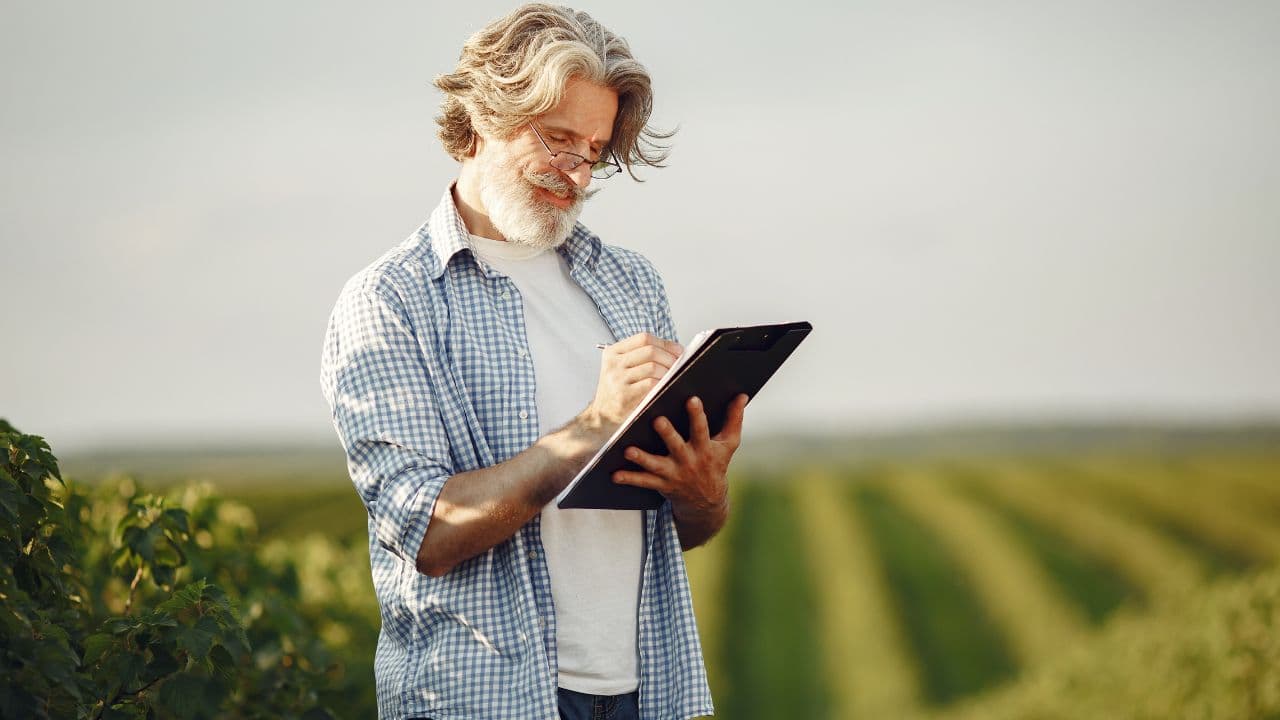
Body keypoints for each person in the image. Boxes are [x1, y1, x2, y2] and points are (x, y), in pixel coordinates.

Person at [319, 4, 747, 719]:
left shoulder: (630, 282)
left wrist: (701, 491)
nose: (576, 175)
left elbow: (679, 532)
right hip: (482, 701)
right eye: (557, 141)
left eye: (593, 153)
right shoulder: (389, 301)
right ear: (486, 113)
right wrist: (590, 429)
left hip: (645, 695)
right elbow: (426, 534)